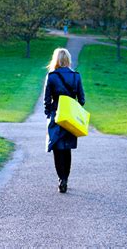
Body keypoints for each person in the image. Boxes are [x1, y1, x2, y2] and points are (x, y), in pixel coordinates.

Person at [44, 48, 85, 193]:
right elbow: (82, 100)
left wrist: (49, 114)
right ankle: (65, 178)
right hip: (70, 118)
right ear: (68, 59)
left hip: (56, 116)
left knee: (57, 149)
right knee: (67, 149)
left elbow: (46, 100)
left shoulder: (52, 76)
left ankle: (61, 178)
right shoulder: (76, 76)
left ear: (56, 60)